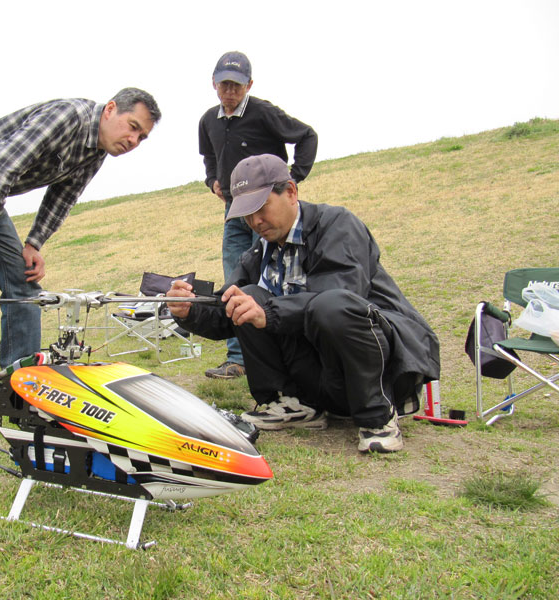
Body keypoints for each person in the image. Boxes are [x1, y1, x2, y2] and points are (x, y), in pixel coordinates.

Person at [167, 154, 440, 453]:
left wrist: (268, 313)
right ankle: (294, 404)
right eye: (246, 214)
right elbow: (227, 308)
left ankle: (378, 415)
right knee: (247, 297)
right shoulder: (260, 251)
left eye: (261, 208)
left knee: (331, 306)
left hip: (381, 369)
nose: (255, 222)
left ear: (291, 192)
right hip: (320, 374)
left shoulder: (338, 225)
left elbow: (343, 294)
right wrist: (190, 311)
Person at [0, 88, 161, 411]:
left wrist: (34, 244)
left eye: (142, 137)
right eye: (132, 127)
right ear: (110, 109)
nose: (133, 140)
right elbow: (3, 166)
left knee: (24, 281)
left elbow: (63, 198)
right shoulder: (67, 117)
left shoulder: (95, 152)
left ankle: (20, 381)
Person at [198, 51, 318, 380]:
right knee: (235, 280)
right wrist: (212, 180)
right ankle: (238, 359)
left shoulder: (264, 113)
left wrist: (293, 178)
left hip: (265, 209)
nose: (230, 91)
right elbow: (209, 156)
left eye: (237, 85)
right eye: (224, 84)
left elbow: (307, 135)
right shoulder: (208, 120)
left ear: (249, 85)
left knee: (268, 275)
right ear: (213, 83)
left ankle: (279, 350)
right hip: (233, 210)